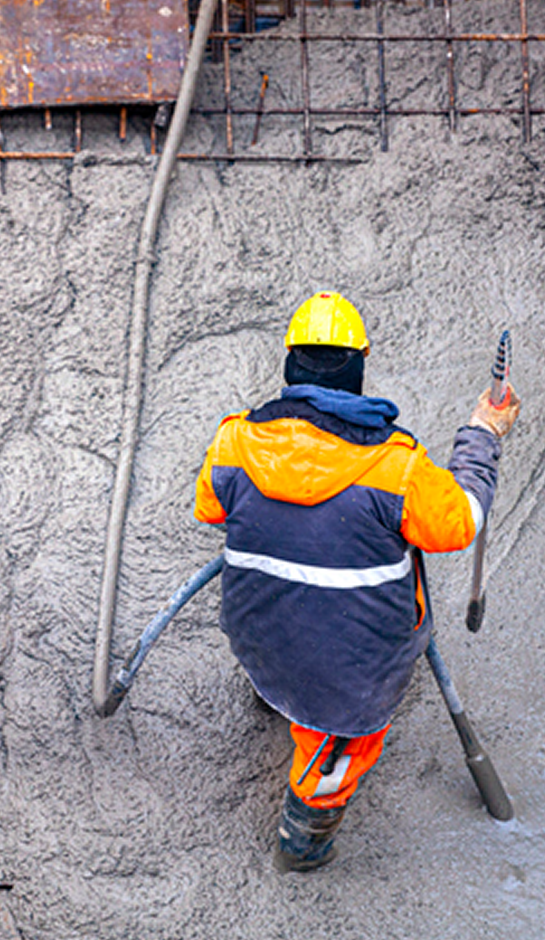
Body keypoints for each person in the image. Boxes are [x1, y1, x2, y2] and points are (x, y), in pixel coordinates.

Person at [194, 291, 520, 872]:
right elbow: (463, 519)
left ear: (292, 361)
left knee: (283, 654)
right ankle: (304, 841)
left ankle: (275, 695)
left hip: (257, 635)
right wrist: (483, 433)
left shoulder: (234, 442)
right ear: (358, 363)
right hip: (351, 669)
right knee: (340, 748)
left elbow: (212, 510)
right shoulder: (397, 467)